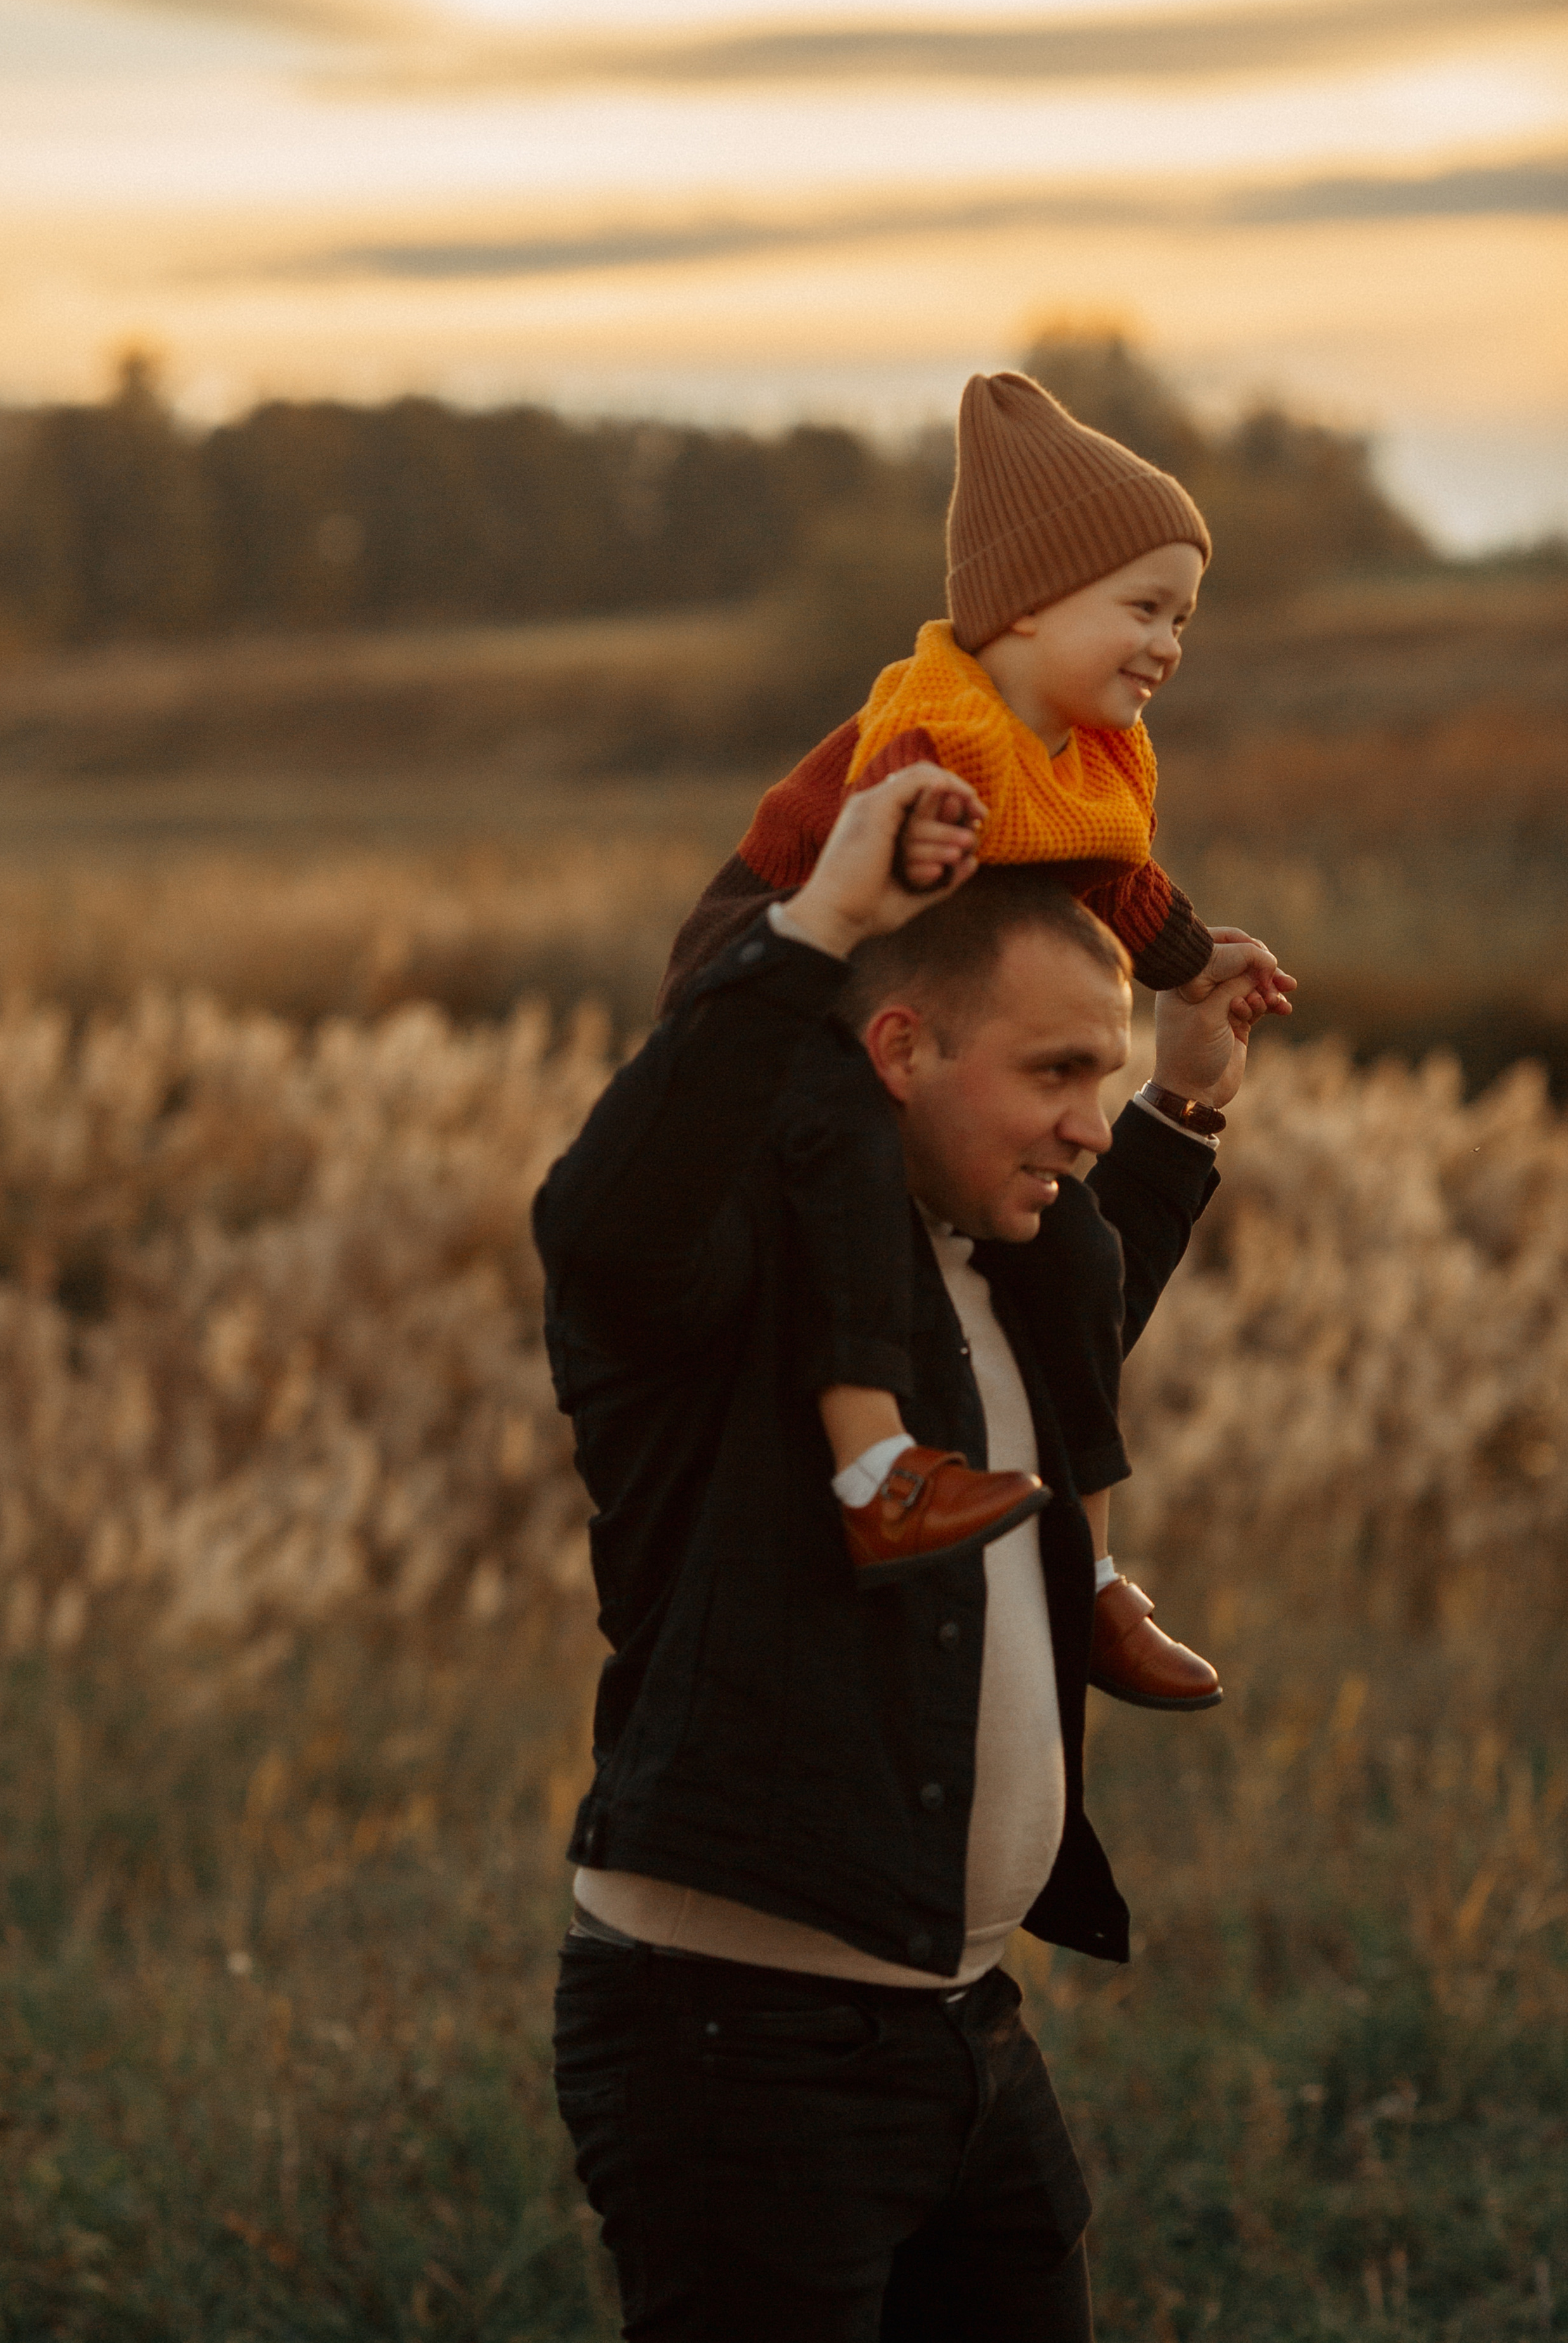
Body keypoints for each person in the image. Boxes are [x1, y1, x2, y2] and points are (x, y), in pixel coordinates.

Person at [533, 765, 1290, 2339]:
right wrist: (815, 928)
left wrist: (1183, 1099)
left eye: (1108, 1074)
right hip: (741, 2054)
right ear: (899, 1046)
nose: (1088, 1119)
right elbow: (605, 1222)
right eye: (1057, 1071)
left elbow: (1078, 1339)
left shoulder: (975, 1270)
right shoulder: (736, 1302)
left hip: (961, 2035)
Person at [656, 370, 1278, 1709]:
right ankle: (874, 1467)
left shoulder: (1095, 756)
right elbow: (883, 859)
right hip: (786, 966)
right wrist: (932, 857)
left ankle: (1094, 1576)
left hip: (911, 978)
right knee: (839, 1159)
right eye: (1142, 609)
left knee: (1075, 1250)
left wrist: (1190, 962)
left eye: (1182, 616)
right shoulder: (936, 719)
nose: (1167, 643)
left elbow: (1115, 877)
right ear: (1026, 606)